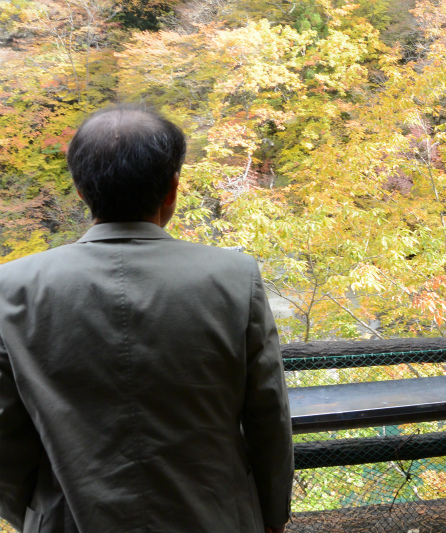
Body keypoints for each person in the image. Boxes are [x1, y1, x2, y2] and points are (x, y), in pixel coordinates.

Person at [0, 105, 294, 533]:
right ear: (172, 189)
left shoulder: (12, 287)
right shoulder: (233, 277)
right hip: (215, 518)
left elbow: (5, 436)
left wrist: (38, 513)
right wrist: (272, 513)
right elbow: (268, 415)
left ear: (80, 190)